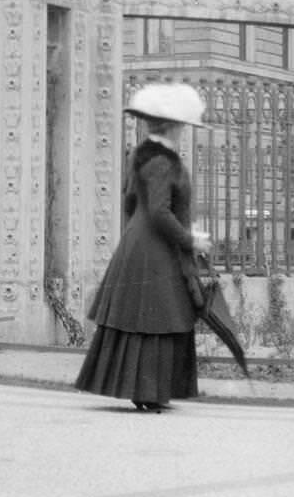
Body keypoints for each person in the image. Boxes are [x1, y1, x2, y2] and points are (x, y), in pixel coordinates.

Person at [75, 82, 212, 412]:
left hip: (139, 244)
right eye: (182, 126)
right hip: (156, 248)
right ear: (174, 126)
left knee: (143, 318)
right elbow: (160, 211)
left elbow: (130, 203)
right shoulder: (163, 161)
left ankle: (145, 390)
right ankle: (149, 392)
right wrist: (189, 239)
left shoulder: (140, 154)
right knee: (159, 318)